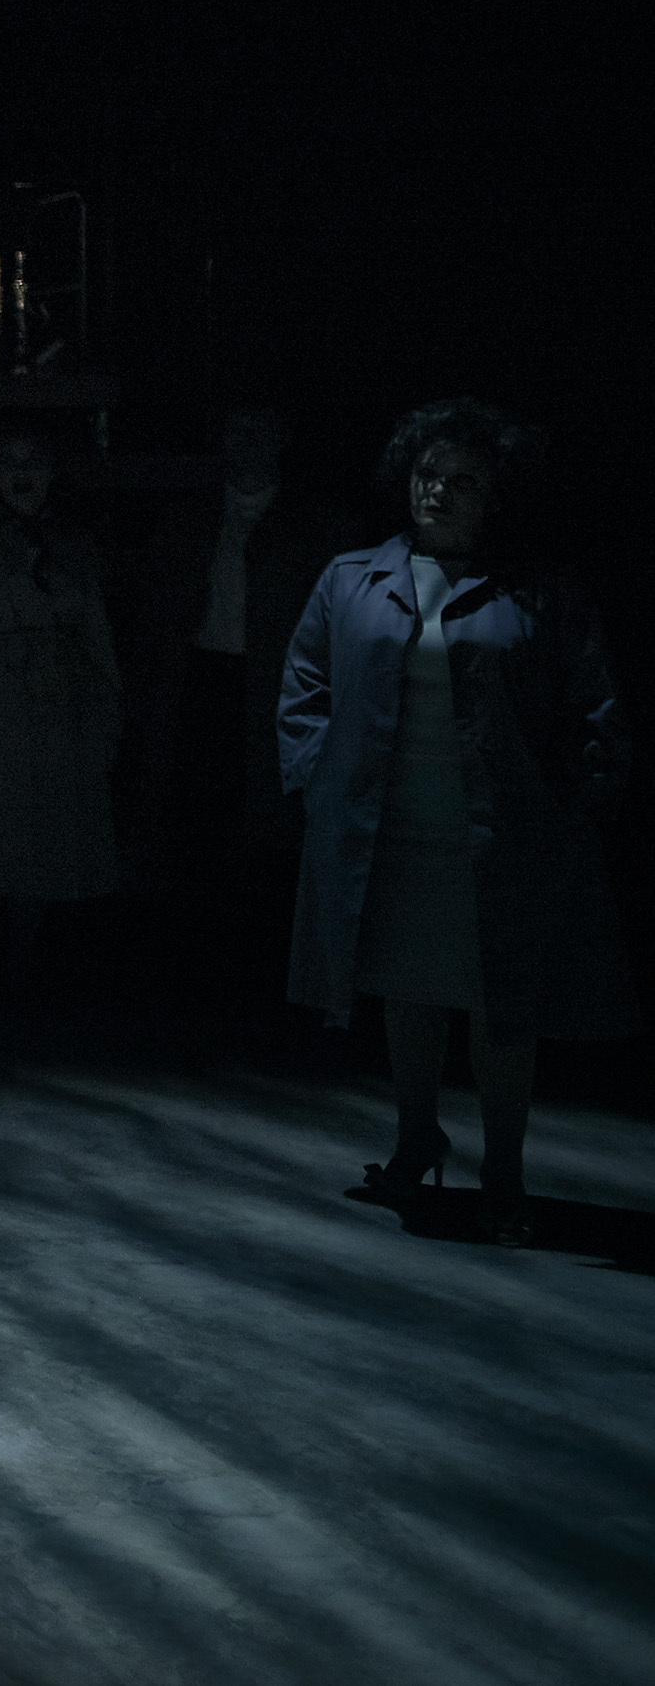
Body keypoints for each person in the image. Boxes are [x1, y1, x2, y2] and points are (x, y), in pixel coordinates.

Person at [284, 399, 632, 1247]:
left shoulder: (540, 589)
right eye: (426, 474)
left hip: (498, 837)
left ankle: (503, 1176)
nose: (436, 492)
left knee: (499, 1007)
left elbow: (594, 705)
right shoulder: (350, 577)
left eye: (461, 481)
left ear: (495, 495)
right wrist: (316, 783)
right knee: (407, 988)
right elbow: (304, 686)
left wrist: (572, 808)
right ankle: (416, 1141)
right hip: (389, 829)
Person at [131, 401, 361, 979]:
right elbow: (159, 616)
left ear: (281, 438)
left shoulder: (313, 525)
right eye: (237, 429)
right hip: (204, 682)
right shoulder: (191, 518)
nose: (247, 442)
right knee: (199, 818)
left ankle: (254, 964)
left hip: (277, 690)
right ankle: (198, 960)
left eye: (259, 430)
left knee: (267, 826)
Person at [0, 428, 124, 988]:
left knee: (44, 844)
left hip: (59, 712)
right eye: (8, 462)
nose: (21, 473)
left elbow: (95, 635)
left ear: (52, 471)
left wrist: (104, 717)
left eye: (33, 461)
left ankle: (19, 970)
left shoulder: (73, 542)